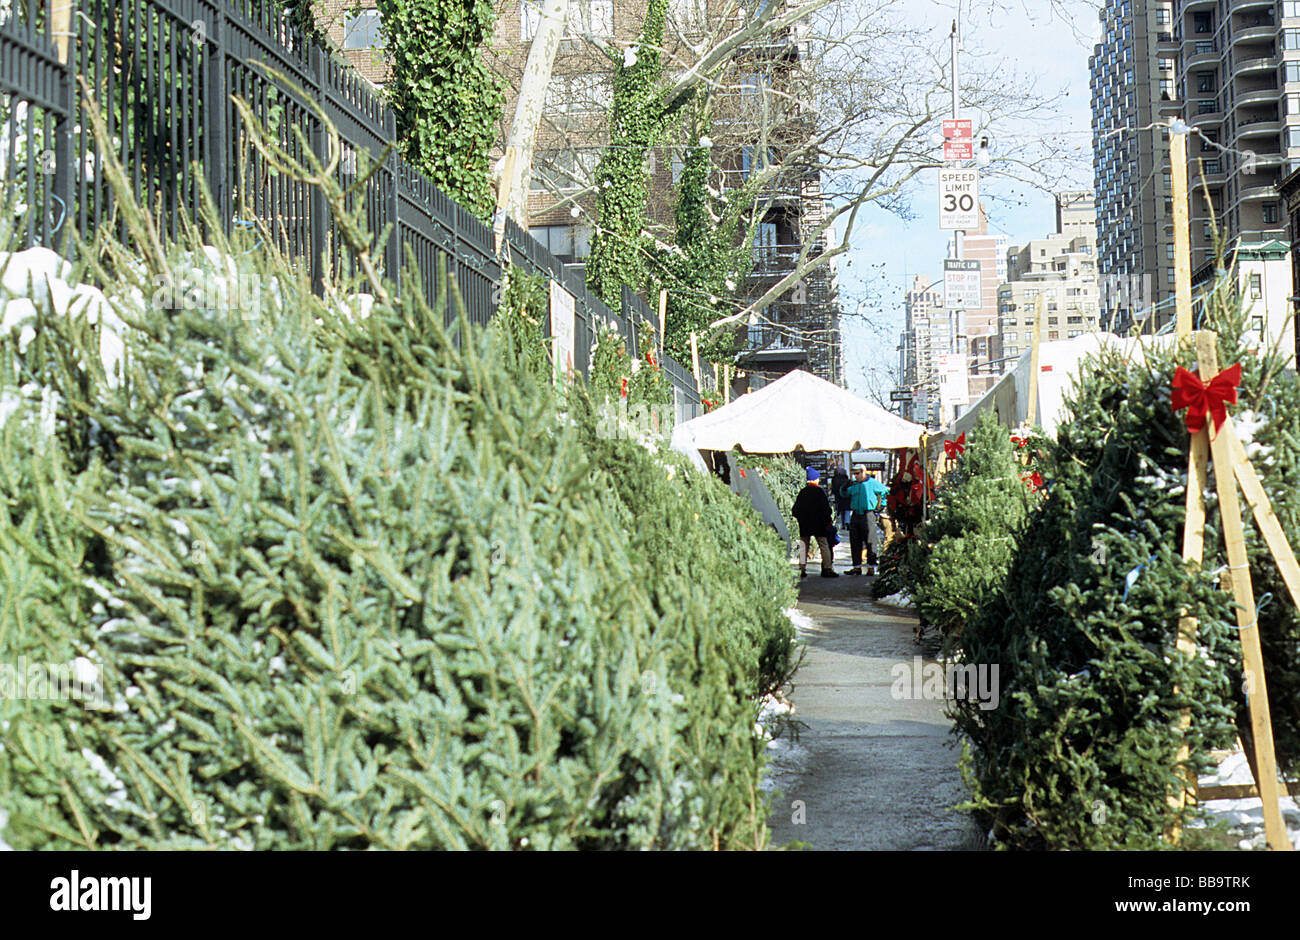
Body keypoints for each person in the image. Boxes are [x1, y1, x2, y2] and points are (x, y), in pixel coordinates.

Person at [792, 467, 840, 579]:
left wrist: (801, 519)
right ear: (815, 479)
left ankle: (802, 569)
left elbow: (795, 510)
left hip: (805, 524)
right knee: (824, 545)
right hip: (819, 524)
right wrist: (827, 520)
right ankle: (827, 568)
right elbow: (826, 509)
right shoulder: (819, 492)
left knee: (803, 545)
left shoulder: (802, 492)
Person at [844, 465, 888, 575]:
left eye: (857, 473)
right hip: (855, 515)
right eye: (854, 474)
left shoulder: (872, 483)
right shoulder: (854, 484)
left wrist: (879, 507)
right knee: (855, 540)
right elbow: (844, 493)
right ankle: (857, 566)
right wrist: (844, 486)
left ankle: (871, 567)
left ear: (864, 472)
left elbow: (885, 492)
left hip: (868, 514)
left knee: (870, 541)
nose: (856, 476)